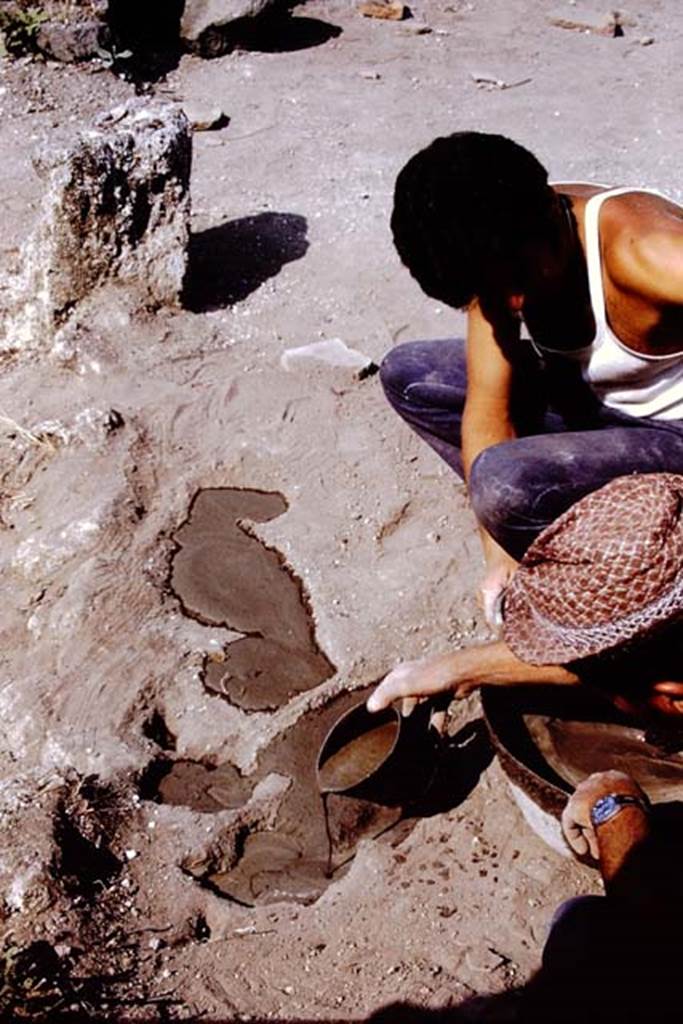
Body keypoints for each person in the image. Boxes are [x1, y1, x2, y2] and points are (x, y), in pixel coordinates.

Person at [369, 133, 683, 717]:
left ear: (546, 214)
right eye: (493, 291)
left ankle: (636, 582)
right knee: (410, 374)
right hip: (600, 407)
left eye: (517, 279)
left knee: (506, 484)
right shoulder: (496, 247)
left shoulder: (652, 254)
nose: (513, 302)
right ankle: (570, 549)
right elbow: (490, 413)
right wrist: (499, 564)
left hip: (674, 437)